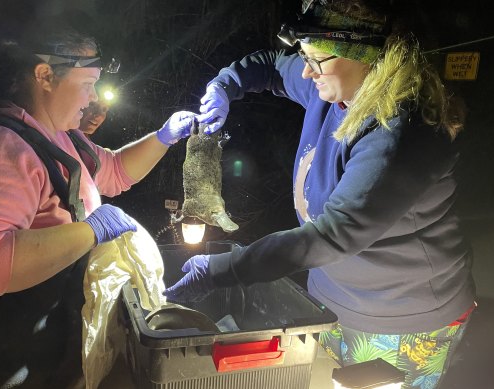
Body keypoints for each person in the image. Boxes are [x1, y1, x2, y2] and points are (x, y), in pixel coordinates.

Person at [163, 1, 476, 388]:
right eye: (304, 56)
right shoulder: (333, 83)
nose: (307, 71)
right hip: (331, 299)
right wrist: (223, 88)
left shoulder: (399, 130)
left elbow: (333, 234)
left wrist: (225, 269)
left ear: (367, 58)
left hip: (402, 318)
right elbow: (272, 64)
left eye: (317, 60)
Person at [0, 18, 196, 389]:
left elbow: (115, 171)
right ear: (44, 75)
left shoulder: (62, 138)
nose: (92, 98)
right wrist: (92, 230)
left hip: (55, 352)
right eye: (87, 85)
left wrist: (165, 136)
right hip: (12, 365)